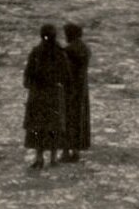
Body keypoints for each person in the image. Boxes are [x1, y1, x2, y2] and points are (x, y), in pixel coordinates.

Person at [23, 24, 69, 169]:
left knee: (38, 126)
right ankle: (54, 158)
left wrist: (31, 85)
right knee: (54, 126)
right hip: (54, 95)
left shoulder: (36, 52)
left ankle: (39, 157)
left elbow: (28, 75)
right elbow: (66, 75)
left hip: (38, 94)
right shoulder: (60, 53)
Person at [61, 23, 92, 163]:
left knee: (67, 119)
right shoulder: (85, 49)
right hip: (82, 89)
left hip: (69, 89)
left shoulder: (68, 50)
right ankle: (76, 150)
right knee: (80, 118)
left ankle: (66, 151)